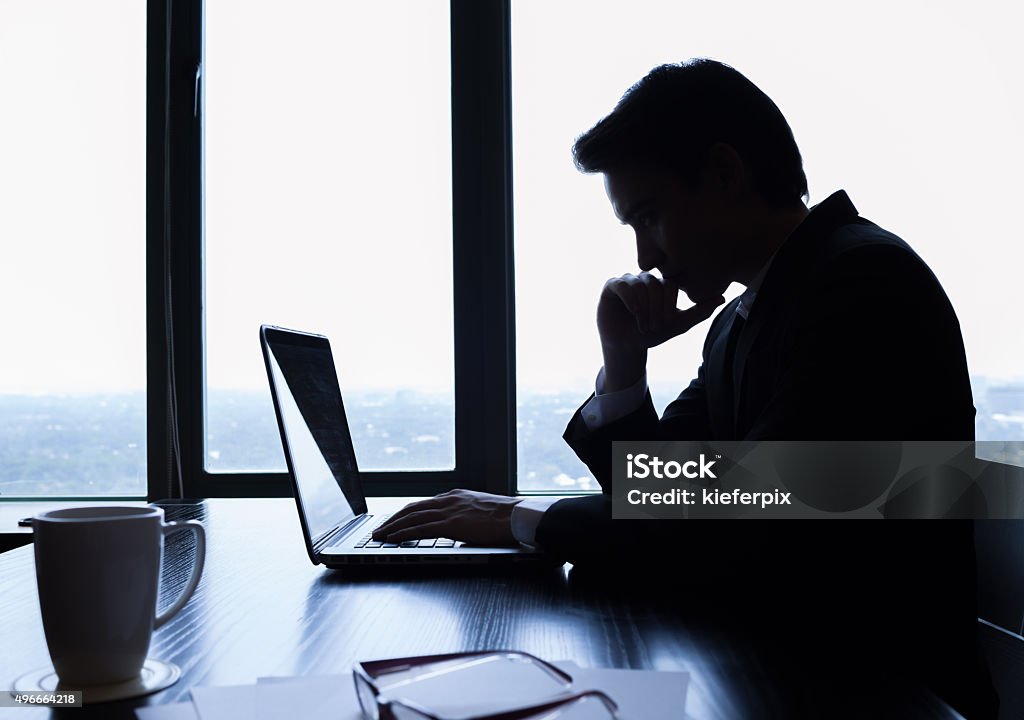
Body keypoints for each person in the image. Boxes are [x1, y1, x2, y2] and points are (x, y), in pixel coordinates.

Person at [374, 59, 997, 717]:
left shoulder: (862, 283)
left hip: (886, 696)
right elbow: (660, 494)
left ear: (725, 174)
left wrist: (522, 519)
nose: (643, 257)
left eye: (649, 215)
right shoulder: (742, 318)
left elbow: (744, 531)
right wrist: (623, 362)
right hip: (786, 674)